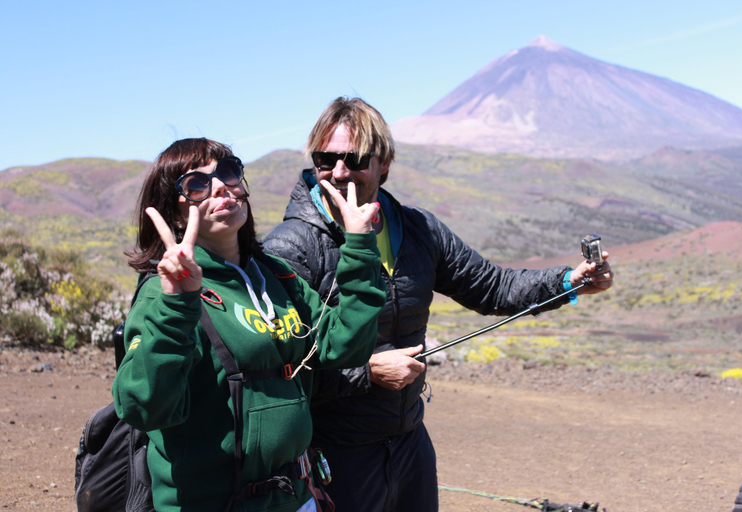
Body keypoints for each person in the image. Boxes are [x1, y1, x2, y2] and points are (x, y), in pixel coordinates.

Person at [263, 97, 615, 512]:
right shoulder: (291, 247)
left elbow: (491, 287)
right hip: (336, 455)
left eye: (354, 159)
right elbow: (279, 369)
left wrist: (567, 283)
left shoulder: (418, 229)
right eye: (326, 159)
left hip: (410, 442)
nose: (339, 172)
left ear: (384, 163)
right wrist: (367, 372)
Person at [112, 138, 386, 512]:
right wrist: (177, 305)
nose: (221, 186)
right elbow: (145, 408)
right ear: (176, 215)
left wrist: (358, 246)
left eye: (228, 172)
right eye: (196, 184)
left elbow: (345, 346)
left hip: (295, 497)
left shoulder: (278, 277)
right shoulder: (165, 296)